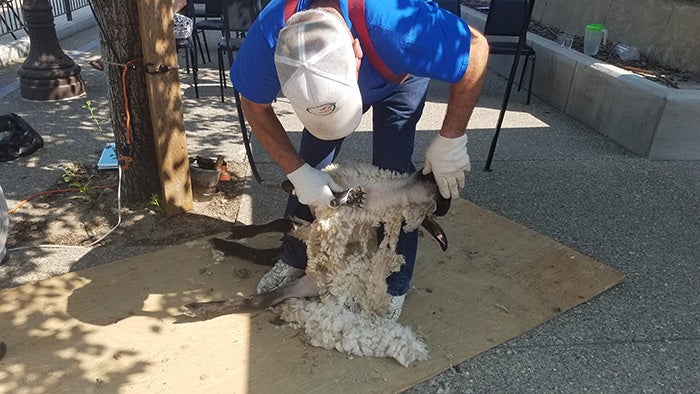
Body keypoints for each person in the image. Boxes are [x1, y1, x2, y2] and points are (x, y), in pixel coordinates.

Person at [231, 0, 488, 319]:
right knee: (311, 162)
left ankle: (393, 282)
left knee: (396, 176)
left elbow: (476, 49)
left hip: (398, 74)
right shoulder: (270, 35)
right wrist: (297, 172)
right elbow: (254, 105)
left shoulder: (398, 26)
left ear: (355, 51)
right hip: (351, 73)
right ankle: (296, 255)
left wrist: (451, 137)